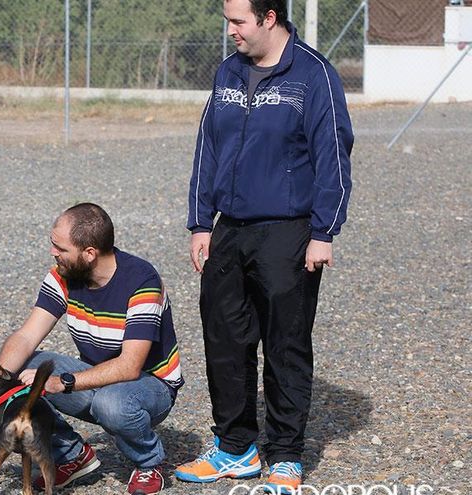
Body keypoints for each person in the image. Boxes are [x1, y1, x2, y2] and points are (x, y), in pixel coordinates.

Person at [174, 0, 353, 493]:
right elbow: (208, 148)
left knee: (285, 344)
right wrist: (200, 223)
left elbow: (333, 154)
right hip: (228, 229)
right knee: (225, 340)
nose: (230, 30)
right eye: (228, 20)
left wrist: (324, 232)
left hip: (288, 232)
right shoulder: (228, 72)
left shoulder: (313, 75)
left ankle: (286, 456)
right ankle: (235, 448)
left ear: (269, 17)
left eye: (238, 21)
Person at [0, 203, 184, 495]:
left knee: (111, 404)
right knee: (21, 369)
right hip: (96, 376)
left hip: (150, 384)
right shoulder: (63, 274)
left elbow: (130, 366)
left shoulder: (141, 281)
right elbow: (26, 337)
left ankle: (148, 462)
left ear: (89, 253)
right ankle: (72, 456)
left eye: (60, 248)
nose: (53, 252)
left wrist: (62, 382)